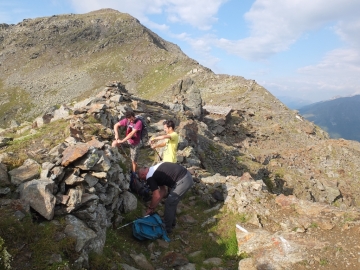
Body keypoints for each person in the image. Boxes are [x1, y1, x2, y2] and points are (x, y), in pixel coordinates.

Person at [138, 162, 194, 233]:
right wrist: (154, 206)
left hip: (183, 180)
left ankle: (166, 228)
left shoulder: (149, 176)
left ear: (143, 174)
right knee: (171, 201)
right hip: (186, 176)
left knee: (170, 202)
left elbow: (156, 195)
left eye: (142, 179)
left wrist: (150, 208)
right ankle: (172, 223)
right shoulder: (155, 169)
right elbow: (162, 191)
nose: (144, 181)